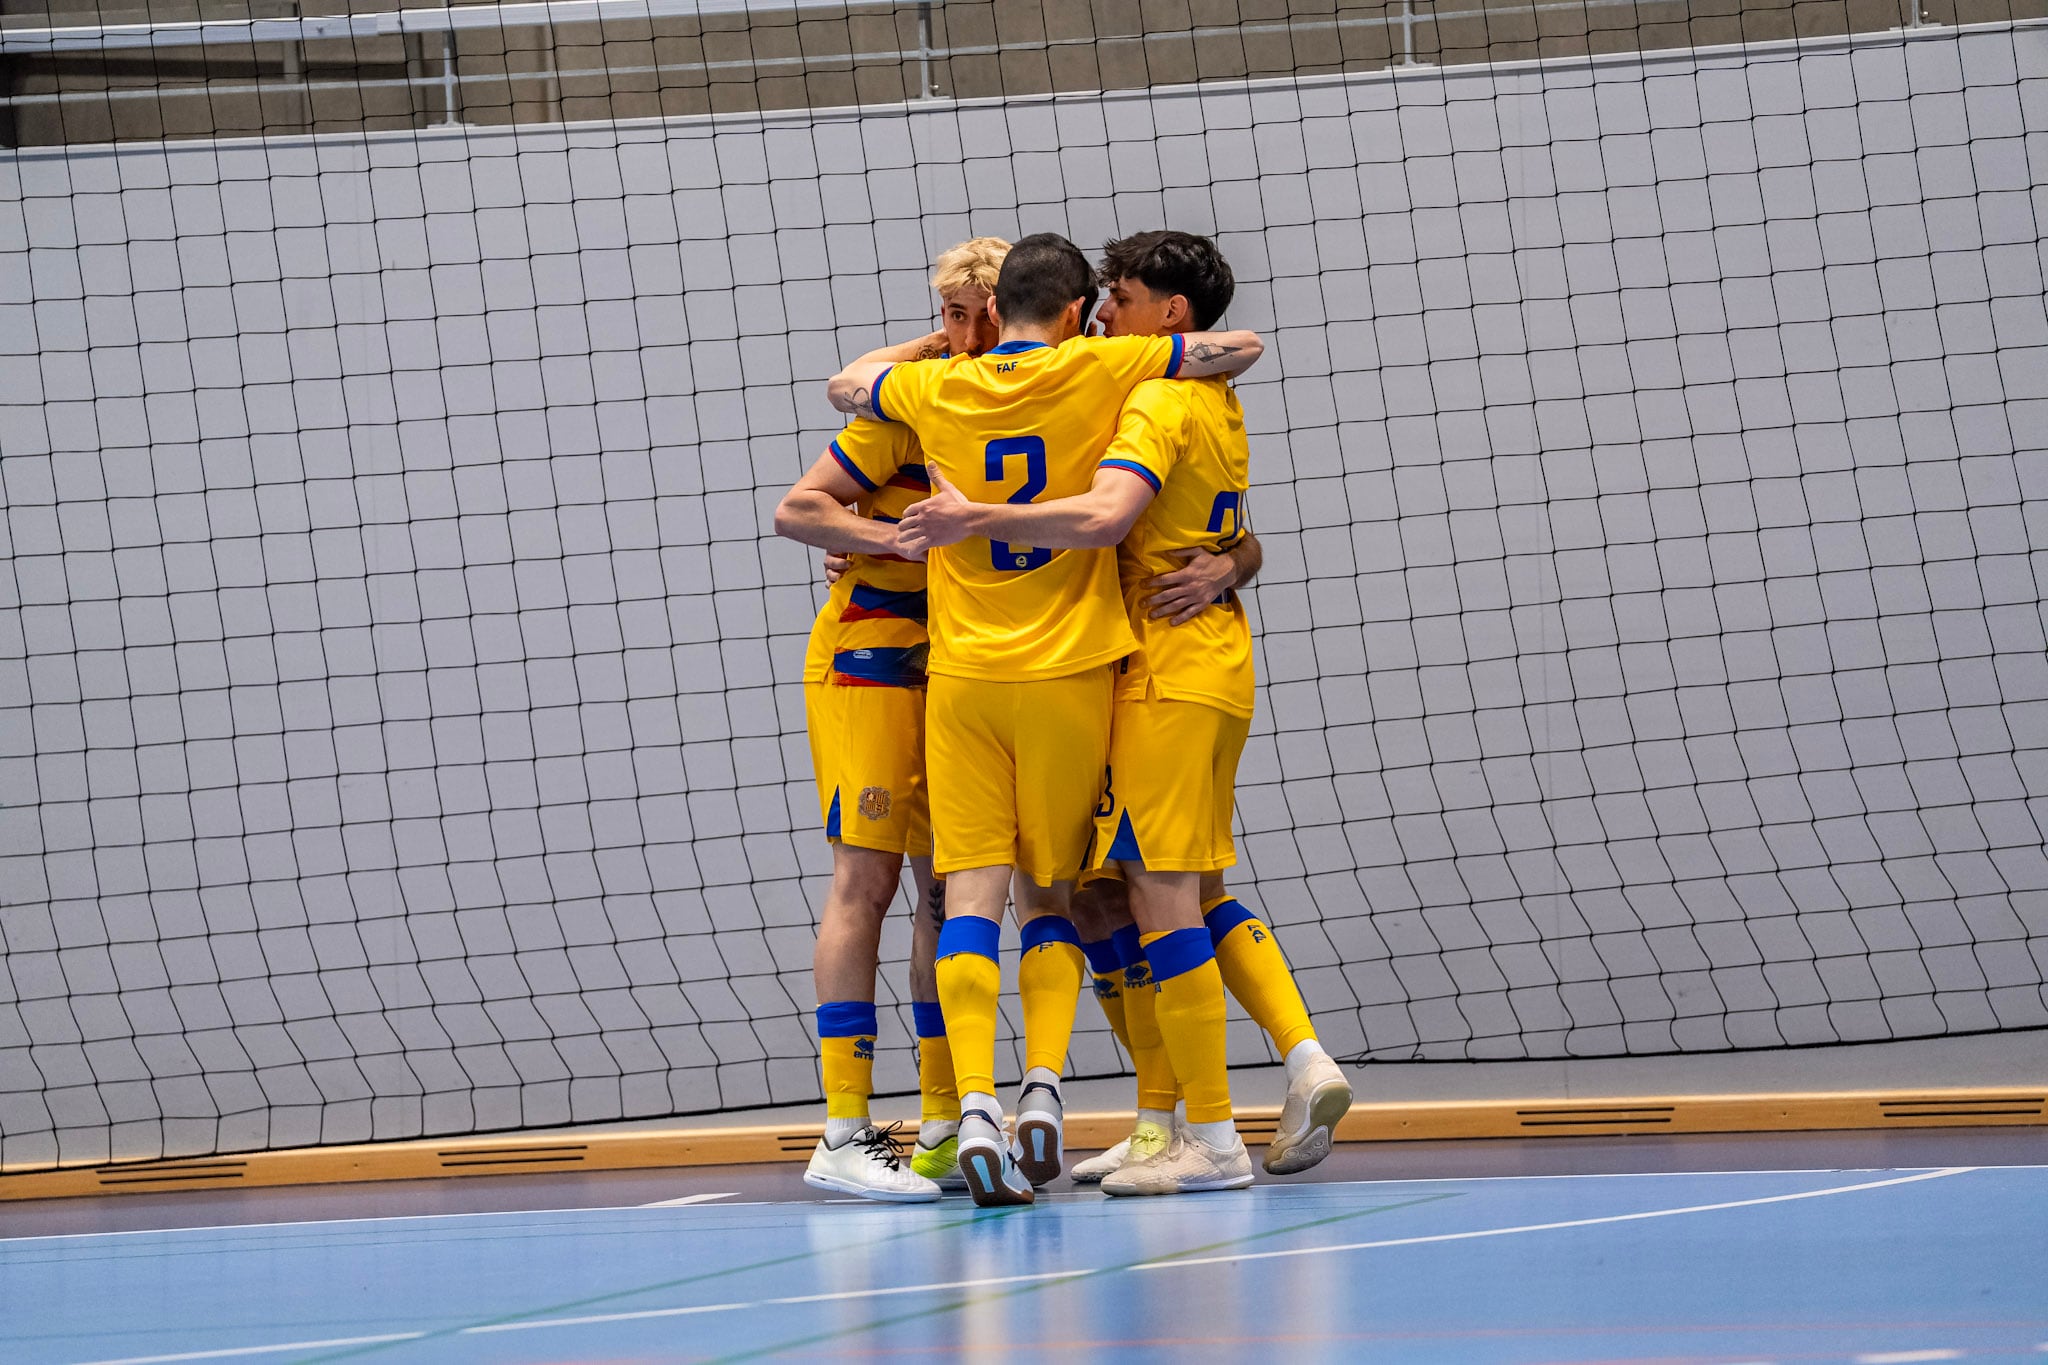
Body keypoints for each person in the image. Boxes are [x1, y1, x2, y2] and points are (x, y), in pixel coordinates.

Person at [899, 229, 1349, 1195]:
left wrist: (966, 516)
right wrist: (1237, 561)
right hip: (1191, 661)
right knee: (1137, 888)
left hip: (1145, 669)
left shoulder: (1140, 391)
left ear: (1169, 316)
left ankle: (1213, 1132)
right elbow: (1224, 517)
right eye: (1097, 300)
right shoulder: (1204, 393)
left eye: (1128, 297)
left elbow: (1108, 517)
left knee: (1139, 892)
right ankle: (1187, 1108)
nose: (1107, 312)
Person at [828, 232, 1264, 1206]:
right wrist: (1161, 349)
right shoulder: (1097, 364)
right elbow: (1235, 350)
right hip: (1071, 677)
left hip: (963, 675)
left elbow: (843, 386)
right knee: (1054, 898)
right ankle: (1043, 1091)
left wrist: (922, 356)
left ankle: (972, 1102)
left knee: (968, 894)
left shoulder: (935, 392)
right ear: (1073, 312)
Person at [771, 237, 1009, 1202]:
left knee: (946, 890)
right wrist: (896, 545)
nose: (968, 332)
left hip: (957, 672)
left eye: (982, 313)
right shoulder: (907, 408)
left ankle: (943, 1121)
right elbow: (798, 509)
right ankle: (841, 1129)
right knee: (862, 879)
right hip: (868, 661)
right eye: (953, 314)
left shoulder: (1032, 403)